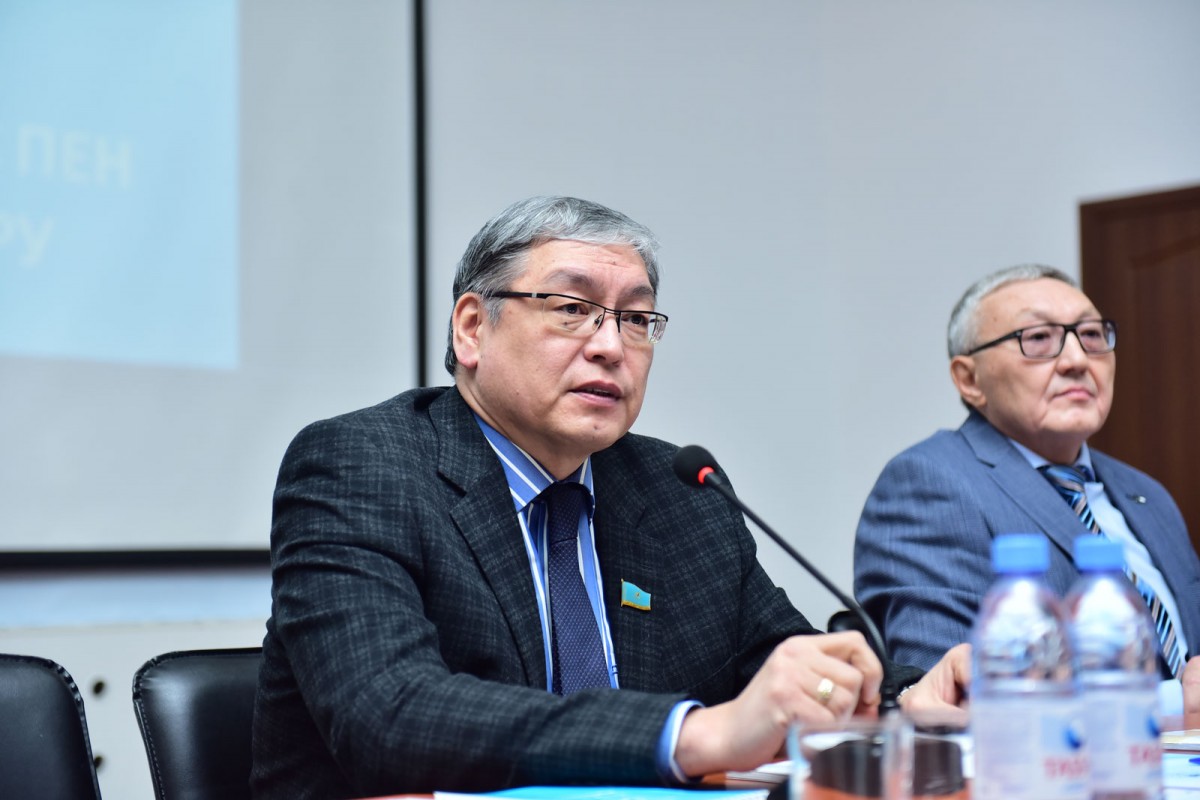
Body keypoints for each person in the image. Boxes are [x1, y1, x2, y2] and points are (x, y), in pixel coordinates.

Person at [251, 196, 969, 800]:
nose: (610, 345)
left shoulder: (676, 488)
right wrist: (694, 734)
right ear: (472, 329)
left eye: (635, 319)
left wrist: (908, 700)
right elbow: (389, 714)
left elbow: (780, 664)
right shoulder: (362, 464)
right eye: (572, 308)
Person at [853, 264, 1200, 687]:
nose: (1077, 360)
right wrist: (1173, 703)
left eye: (1091, 335)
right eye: (1037, 339)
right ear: (969, 379)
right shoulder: (929, 484)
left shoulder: (1146, 492)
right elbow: (953, 694)